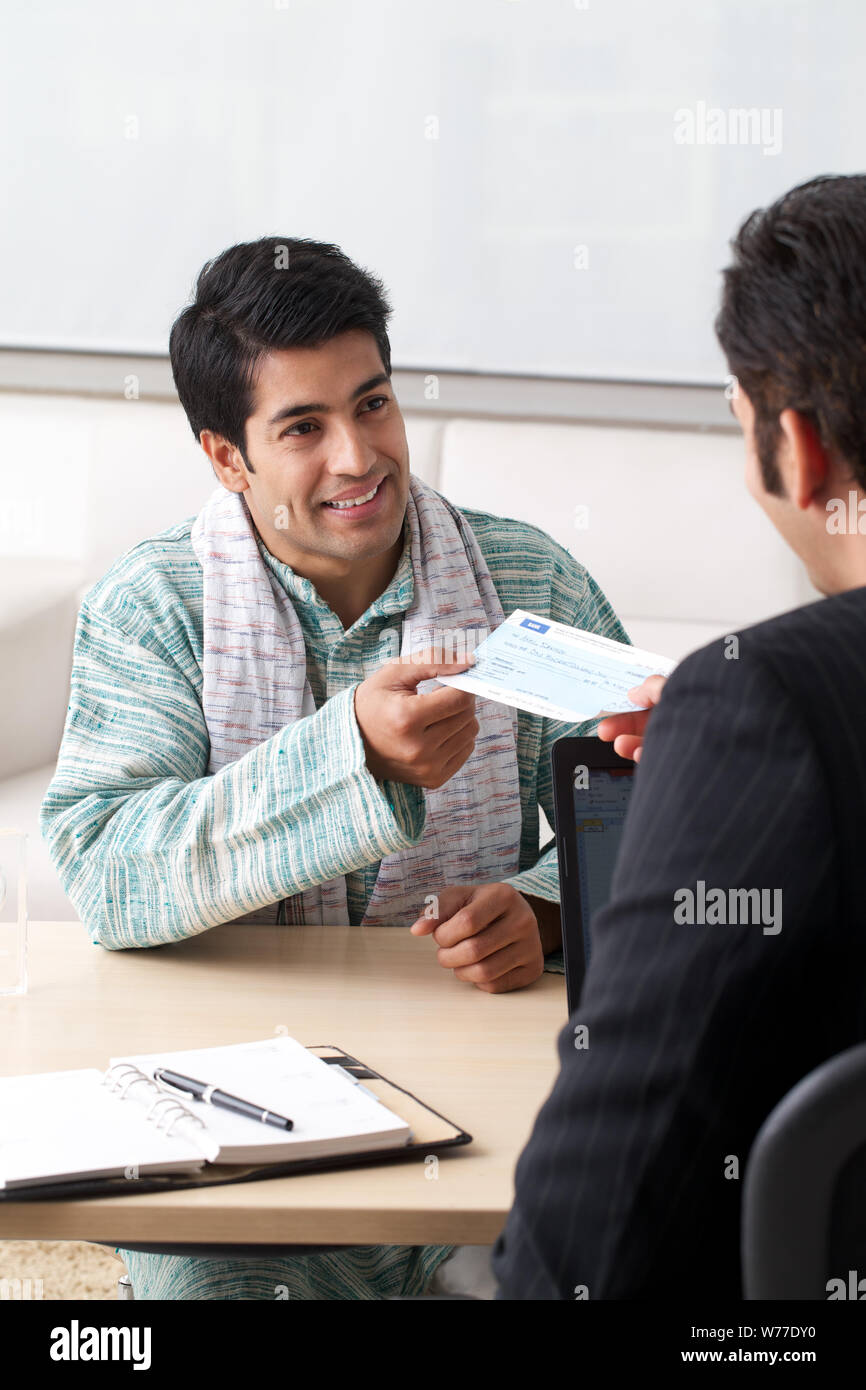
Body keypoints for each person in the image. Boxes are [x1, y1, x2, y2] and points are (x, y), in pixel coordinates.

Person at [40, 237, 628, 1300]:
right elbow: (102, 868)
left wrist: (541, 910)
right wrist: (348, 751)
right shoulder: (153, 606)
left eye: (372, 404)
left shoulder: (527, 579)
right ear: (227, 458)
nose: (358, 458)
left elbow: (652, 823)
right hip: (227, 1106)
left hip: (489, 1097)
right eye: (303, 428)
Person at [492, 173, 866, 1299]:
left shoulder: (763, 709)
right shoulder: (769, 713)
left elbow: (587, 1242)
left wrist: (747, 746)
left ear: (793, 449)